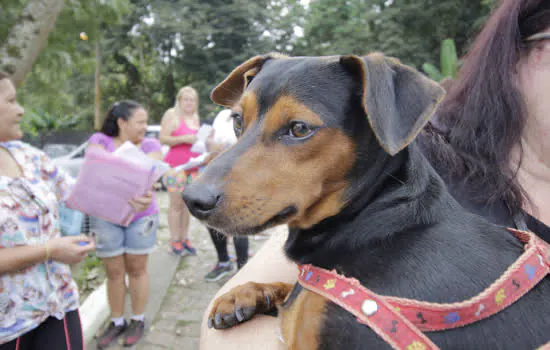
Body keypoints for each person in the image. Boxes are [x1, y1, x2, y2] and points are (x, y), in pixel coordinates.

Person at [199, 0, 550, 348]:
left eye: (298, 128)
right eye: (239, 121)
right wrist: (283, 298)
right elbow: (221, 339)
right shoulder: (408, 168)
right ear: (514, 54)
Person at [0, 72, 96, 349]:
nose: (21, 111)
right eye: (11, 101)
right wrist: (50, 250)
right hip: (8, 324)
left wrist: (132, 193)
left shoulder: (27, 155)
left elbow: (78, 195)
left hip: (57, 304)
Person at [88, 100, 161, 349]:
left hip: (142, 217)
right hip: (106, 217)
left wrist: (145, 191)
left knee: (138, 269)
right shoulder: (100, 141)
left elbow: (151, 174)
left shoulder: (150, 144)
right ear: (122, 122)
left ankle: (137, 319)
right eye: (140, 122)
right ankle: (116, 321)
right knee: (114, 273)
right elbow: (94, 173)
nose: (144, 126)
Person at [203, 109, 249, 282]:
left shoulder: (252, 110)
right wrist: (210, 145)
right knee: (212, 216)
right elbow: (207, 141)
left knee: (239, 220)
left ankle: (242, 270)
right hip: (215, 171)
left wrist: (226, 147)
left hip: (240, 174)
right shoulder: (221, 115)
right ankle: (223, 262)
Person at [160, 86, 201, 256]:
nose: (189, 103)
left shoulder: (195, 117)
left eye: (192, 100)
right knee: (176, 205)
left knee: (187, 205)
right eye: (186, 99)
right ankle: (175, 240)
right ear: (179, 100)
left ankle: (185, 238)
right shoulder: (172, 115)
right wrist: (184, 138)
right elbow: (163, 138)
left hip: (193, 168)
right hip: (175, 169)